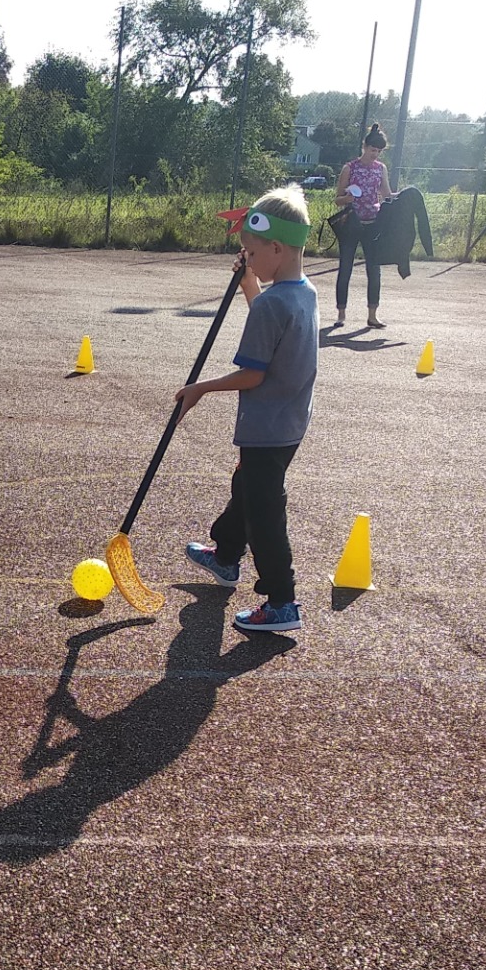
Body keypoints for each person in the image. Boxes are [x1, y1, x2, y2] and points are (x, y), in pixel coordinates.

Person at [177, 187, 318, 636]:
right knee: (248, 488)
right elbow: (270, 322)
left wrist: (202, 387)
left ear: (276, 247)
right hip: (290, 422)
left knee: (264, 511)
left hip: (266, 424)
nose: (248, 258)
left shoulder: (277, 303)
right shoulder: (302, 292)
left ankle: (282, 601)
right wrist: (248, 284)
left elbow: (253, 374)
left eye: (253, 253)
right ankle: (225, 556)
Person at [332, 122, 395, 328]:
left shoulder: (381, 169)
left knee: (374, 269)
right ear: (364, 147)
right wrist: (347, 198)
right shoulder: (349, 168)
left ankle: (372, 315)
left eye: (378, 151)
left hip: (372, 223)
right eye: (372, 150)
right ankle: (341, 314)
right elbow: (337, 199)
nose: (375, 154)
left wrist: (403, 197)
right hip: (351, 223)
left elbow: (386, 194)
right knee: (346, 268)